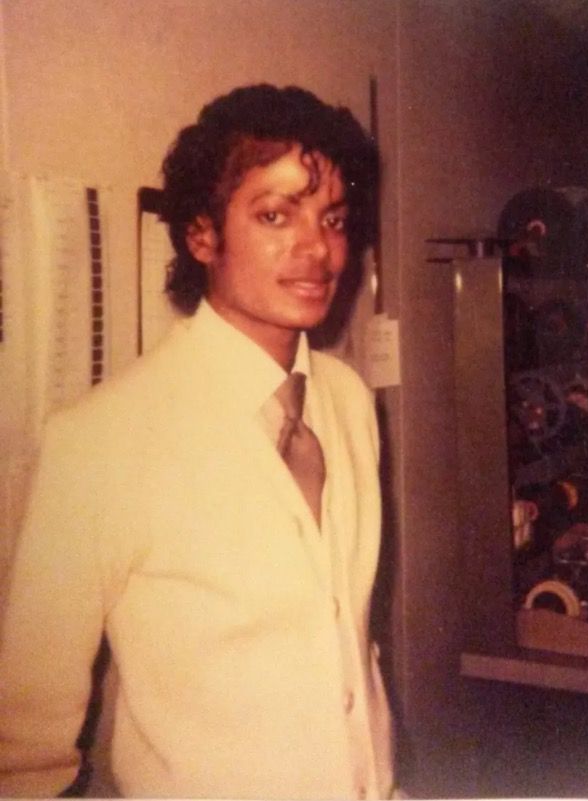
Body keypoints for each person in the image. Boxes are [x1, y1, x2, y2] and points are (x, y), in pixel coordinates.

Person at [0, 84, 395, 799]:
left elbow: (345, 647)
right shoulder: (99, 441)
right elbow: (21, 750)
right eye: (275, 214)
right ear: (201, 234)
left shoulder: (349, 401)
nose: (317, 249)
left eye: (332, 218)